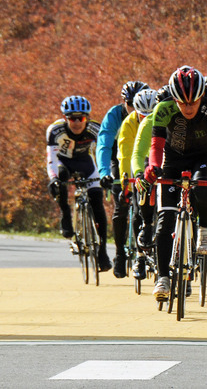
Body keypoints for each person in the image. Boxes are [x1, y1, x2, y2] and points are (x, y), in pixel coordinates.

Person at [132, 78, 207, 286]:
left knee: (204, 187)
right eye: (182, 102)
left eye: (193, 102)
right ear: (174, 99)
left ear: (201, 98)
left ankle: (204, 228)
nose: (188, 107)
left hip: (201, 158)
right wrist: (153, 167)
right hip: (172, 158)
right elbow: (156, 146)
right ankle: (163, 277)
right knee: (165, 221)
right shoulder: (163, 109)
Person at [46, 95, 112, 271]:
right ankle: (65, 214)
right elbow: (51, 159)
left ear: (87, 118)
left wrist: (109, 174)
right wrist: (53, 178)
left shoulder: (95, 129)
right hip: (63, 163)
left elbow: (106, 153)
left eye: (80, 118)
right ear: (65, 118)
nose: (76, 122)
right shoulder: (55, 130)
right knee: (59, 180)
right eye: (71, 118)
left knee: (97, 201)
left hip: (86, 163)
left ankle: (103, 252)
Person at [96, 80, 150, 278]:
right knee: (122, 205)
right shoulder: (115, 116)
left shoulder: (151, 111)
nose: (135, 109)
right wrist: (104, 173)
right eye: (130, 104)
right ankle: (119, 253)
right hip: (118, 159)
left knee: (141, 206)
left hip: (145, 158)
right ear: (123, 102)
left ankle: (142, 253)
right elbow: (103, 145)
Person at [117, 88, 158, 279]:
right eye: (143, 115)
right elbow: (126, 155)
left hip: (159, 162)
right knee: (137, 203)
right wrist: (127, 179)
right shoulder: (128, 124)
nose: (147, 119)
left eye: (152, 114)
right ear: (136, 113)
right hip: (140, 162)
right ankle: (140, 257)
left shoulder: (163, 120)